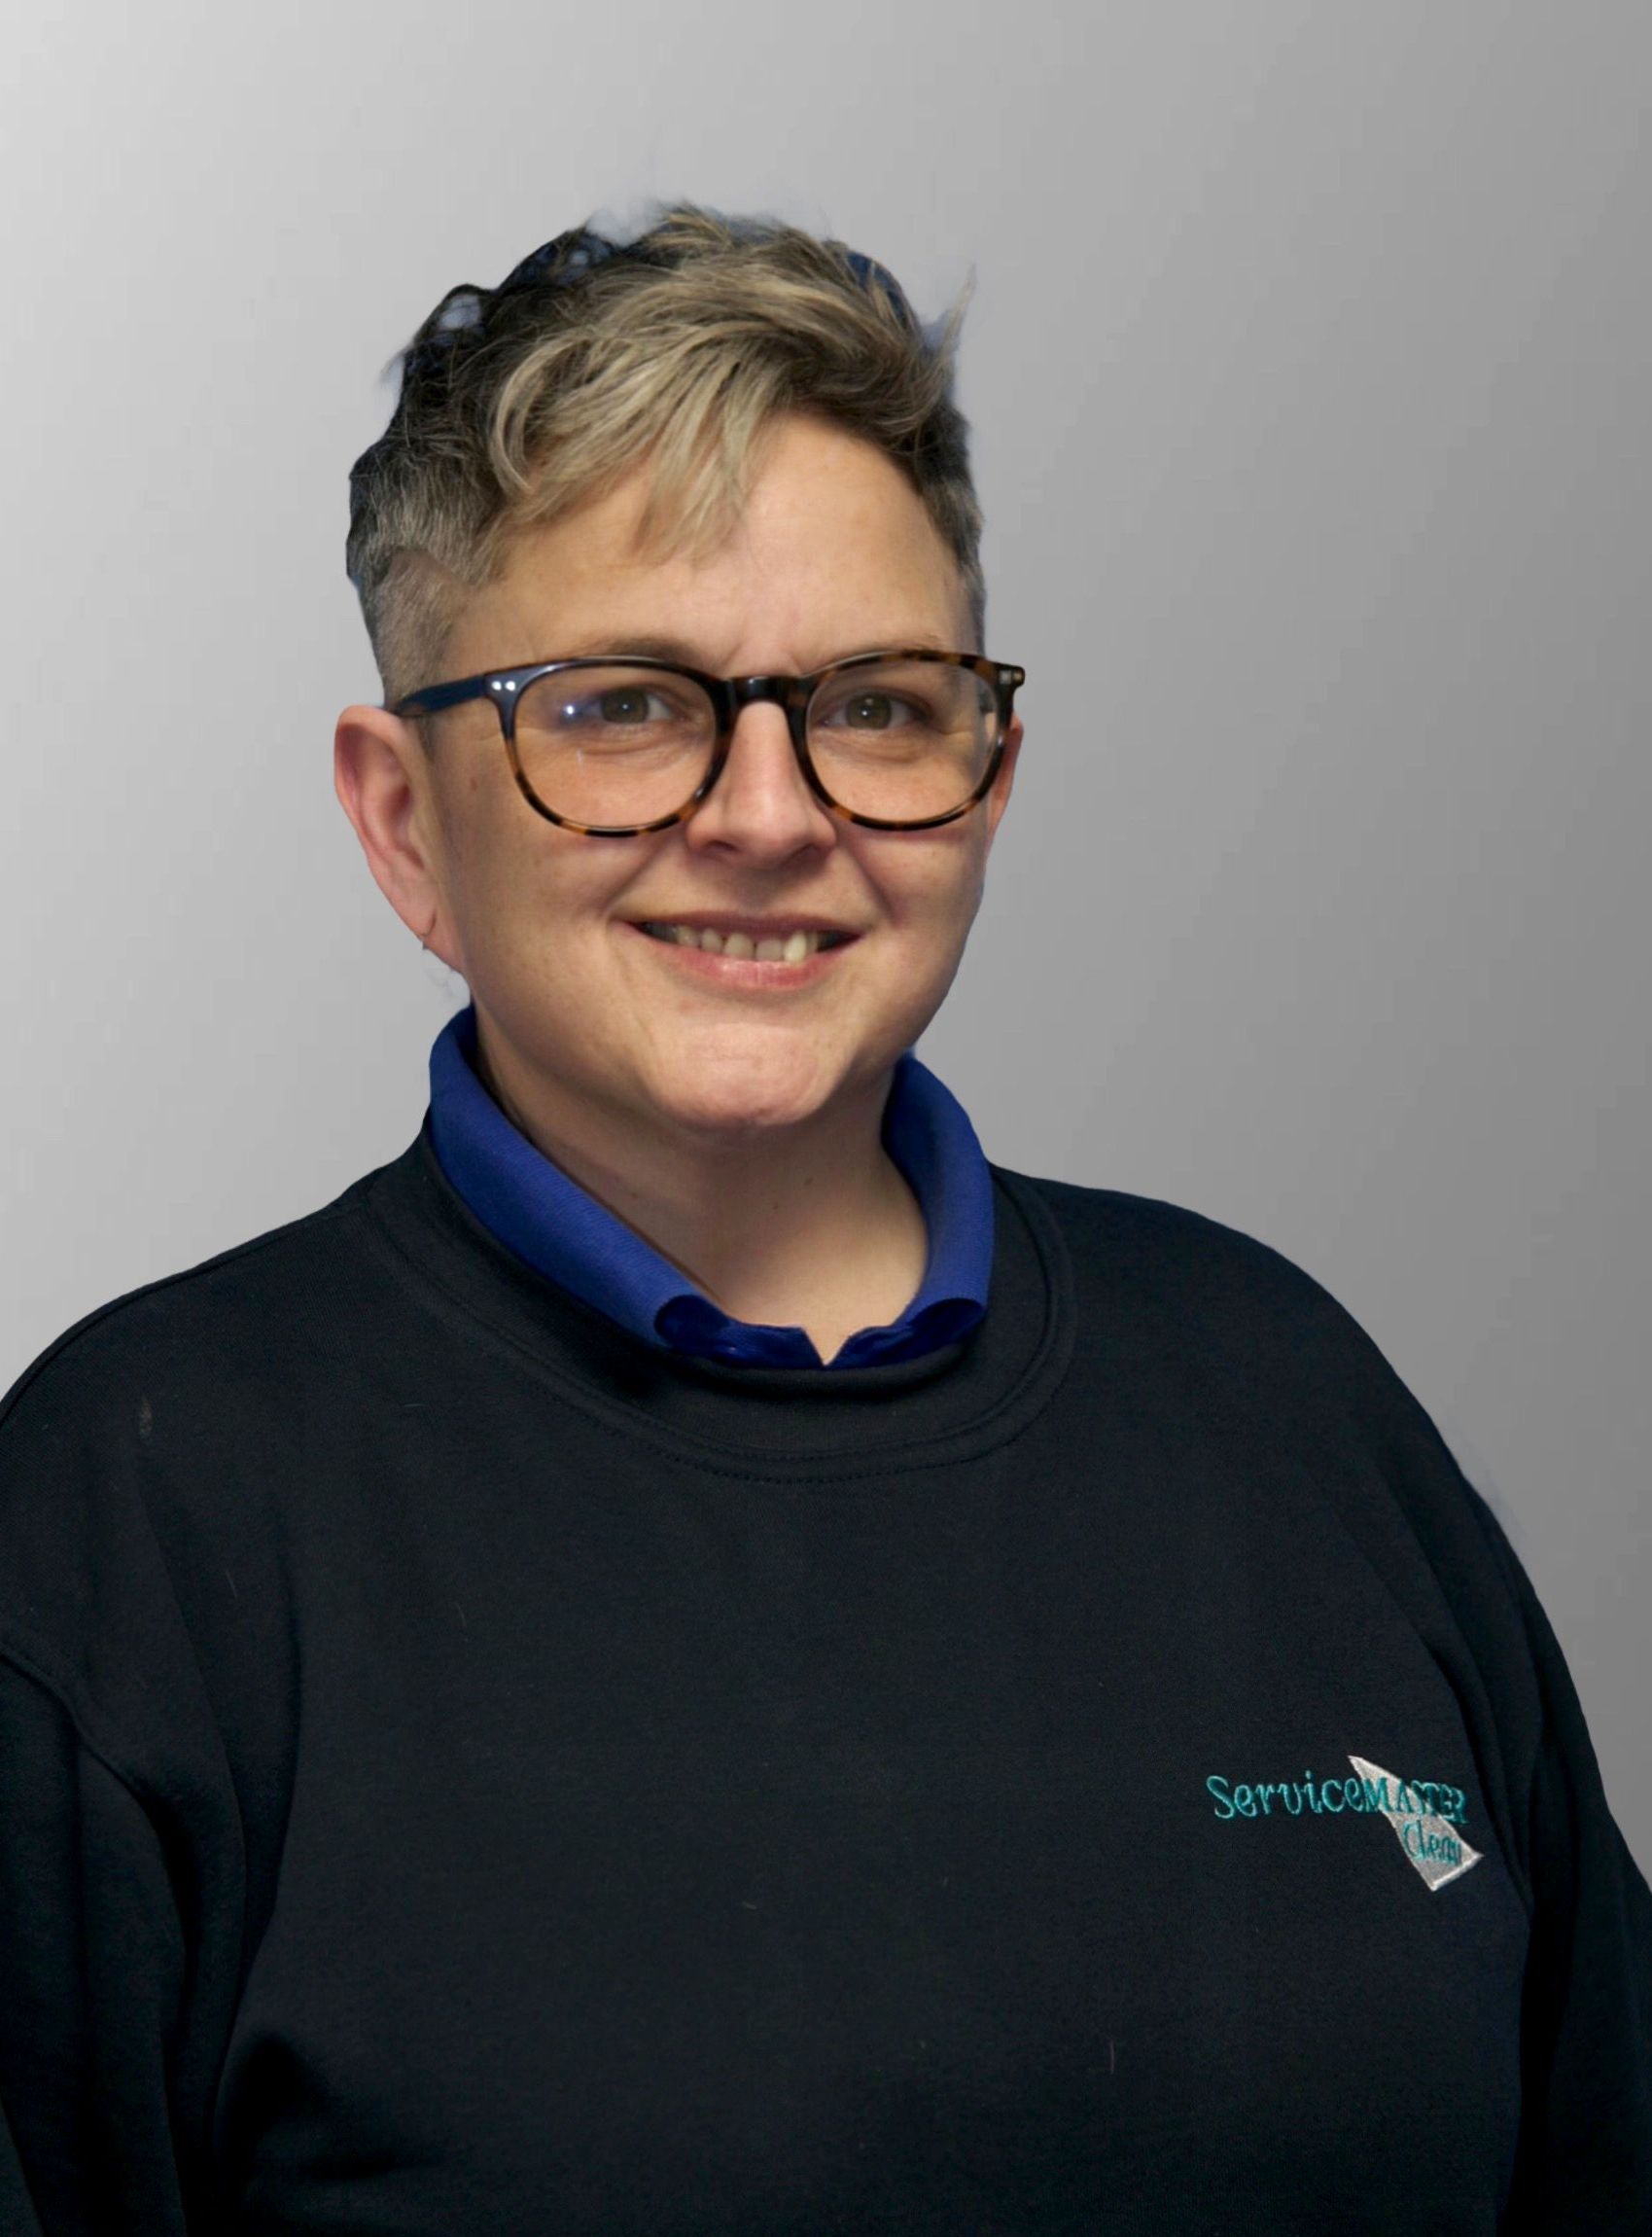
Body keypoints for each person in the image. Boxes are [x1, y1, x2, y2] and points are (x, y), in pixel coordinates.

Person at [0, 200, 1646, 2234]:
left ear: (988, 770)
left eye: (872, 703)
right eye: (616, 705)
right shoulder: (132, 1527)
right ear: (402, 817)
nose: (768, 815)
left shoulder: (1286, 1397)